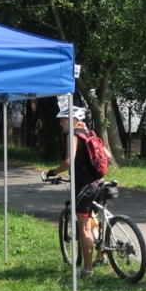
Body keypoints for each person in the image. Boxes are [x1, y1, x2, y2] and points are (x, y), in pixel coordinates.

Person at [46, 106, 105, 278]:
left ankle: (88, 270)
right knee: (94, 220)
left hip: (84, 186)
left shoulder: (73, 136)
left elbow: (68, 162)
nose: (61, 123)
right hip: (99, 183)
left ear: (74, 120)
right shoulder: (91, 133)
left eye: (64, 120)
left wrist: (53, 172)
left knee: (84, 228)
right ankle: (101, 256)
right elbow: (107, 155)